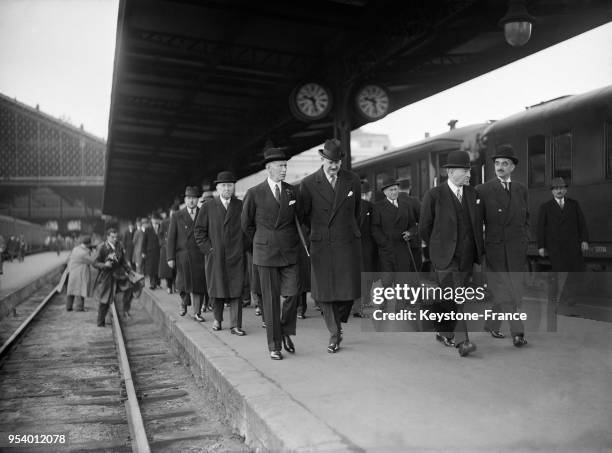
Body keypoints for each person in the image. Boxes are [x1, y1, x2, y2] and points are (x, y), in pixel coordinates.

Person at [300, 139, 362, 354]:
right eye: (330, 162)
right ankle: (334, 333)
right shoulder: (308, 183)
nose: (334, 166)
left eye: (337, 162)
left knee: (348, 291)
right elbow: (303, 216)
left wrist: (351, 231)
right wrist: (317, 233)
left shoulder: (352, 180)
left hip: (346, 241)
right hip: (322, 243)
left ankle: (339, 321)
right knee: (325, 293)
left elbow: (357, 211)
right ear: (322, 159)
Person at [419, 150, 483, 357]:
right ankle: (463, 342)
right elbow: (424, 228)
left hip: (466, 257)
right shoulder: (434, 195)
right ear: (452, 172)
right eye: (465, 171)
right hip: (444, 258)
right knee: (458, 297)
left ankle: (443, 330)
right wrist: (439, 247)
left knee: (450, 298)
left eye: (469, 170)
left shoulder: (473, 195)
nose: (469, 175)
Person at [242, 147, 300, 360]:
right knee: (271, 300)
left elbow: (298, 219)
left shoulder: (292, 191)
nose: (284, 169)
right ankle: (274, 345)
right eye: (280, 166)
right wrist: (261, 241)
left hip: (289, 251)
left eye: (286, 166)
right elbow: (246, 225)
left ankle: (284, 330)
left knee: (293, 294)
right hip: (265, 254)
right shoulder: (254, 193)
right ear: (268, 168)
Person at [476, 145, 529, 347]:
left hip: (516, 250)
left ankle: (491, 324)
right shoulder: (483, 190)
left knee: (514, 290)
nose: (500, 167)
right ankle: (518, 332)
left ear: (512, 167)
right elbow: (476, 223)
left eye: (505, 163)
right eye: (497, 163)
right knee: (506, 292)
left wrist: (525, 239)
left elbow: (526, 218)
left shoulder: (521, 189)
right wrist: (480, 249)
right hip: (495, 250)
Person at [195, 171, 246, 336]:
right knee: (217, 288)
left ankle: (235, 325)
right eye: (223, 185)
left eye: (230, 185)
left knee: (236, 289)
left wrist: (242, 247)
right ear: (217, 188)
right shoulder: (208, 207)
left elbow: (249, 229)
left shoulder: (241, 205)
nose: (227, 188)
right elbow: (199, 232)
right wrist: (209, 250)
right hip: (215, 255)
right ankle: (217, 320)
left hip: (236, 256)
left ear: (234, 187)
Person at [537, 177, 589, 307]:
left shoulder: (574, 204)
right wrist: (541, 246)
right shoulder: (546, 207)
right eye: (556, 188)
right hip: (555, 247)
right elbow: (540, 227)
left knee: (573, 273)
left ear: (565, 190)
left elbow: (581, 223)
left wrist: (584, 240)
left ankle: (569, 297)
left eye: (561, 188)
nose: (559, 190)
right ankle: (564, 297)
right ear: (552, 191)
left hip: (572, 246)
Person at [167, 186, 207, 322]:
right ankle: (184, 303)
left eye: (194, 199)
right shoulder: (177, 216)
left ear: (198, 200)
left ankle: (197, 312)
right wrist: (170, 257)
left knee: (199, 284)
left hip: (200, 255)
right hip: (182, 255)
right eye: (189, 198)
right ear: (185, 199)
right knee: (182, 283)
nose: (191, 201)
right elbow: (171, 238)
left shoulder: (203, 213)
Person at [371, 177, 419, 281]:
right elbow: (375, 228)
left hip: (403, 249)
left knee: (403, 281)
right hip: (387, 251)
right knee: (387, 282)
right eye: (390, 190)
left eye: (396, 189)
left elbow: (413, 225)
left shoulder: (406, 205)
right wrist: (384, 243)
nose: (394, 192)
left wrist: (410, 233)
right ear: (384, 192)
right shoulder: (378, 207)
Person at [92, 228, 134, 326]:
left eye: (116, 237)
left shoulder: (119, 245)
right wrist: (104, 265)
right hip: (106, 277)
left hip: (119, 276)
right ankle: (100, 322)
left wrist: (129, 271)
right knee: (105, 299)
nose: (115, 239)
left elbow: (122, 261)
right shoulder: (102, 247)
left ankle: (125, 311)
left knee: (130, 288)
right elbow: (94, 263)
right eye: (112, 237)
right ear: (107, 237)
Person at [353, 179, 376, 317]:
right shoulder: (371, 206)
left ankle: (356, 306)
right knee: (366, 276)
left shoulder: (348, 206)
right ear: (368, 193)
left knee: (355, 276)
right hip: (367, 246)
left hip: (351, 247)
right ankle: (362, 305)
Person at [66, 236, 94, 311]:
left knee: (71, 290)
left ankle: (69, 307)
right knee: (81, 289)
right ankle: (79, 307)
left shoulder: (75, 248)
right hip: (80, 273)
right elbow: (91, 261)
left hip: (72, 272)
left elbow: (69, 258)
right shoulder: (86, 252)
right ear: (88, 244)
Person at [159, 207, 177, 294]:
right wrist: (164, 243)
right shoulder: (164, 222)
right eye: (172, 212)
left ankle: (175, 285)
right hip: (166, 247)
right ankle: (169, 286)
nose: (173, 213)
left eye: (175, 212)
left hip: (177, 247)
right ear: (170, 212)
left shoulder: (179, 220)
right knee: (168, 270)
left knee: (176, 269)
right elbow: (160, 235)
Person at [142, 213, 162, 289]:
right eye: (153, 219)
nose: (155, 221)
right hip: (150, 251)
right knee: (151, 268)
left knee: (158, 267)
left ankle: (158, 282)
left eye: (156, 219)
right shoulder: (148, 229)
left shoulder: (161, 227)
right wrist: (143, 252)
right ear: (152, 220)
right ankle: (152, 283)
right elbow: (144, 241)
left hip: (159, 251)